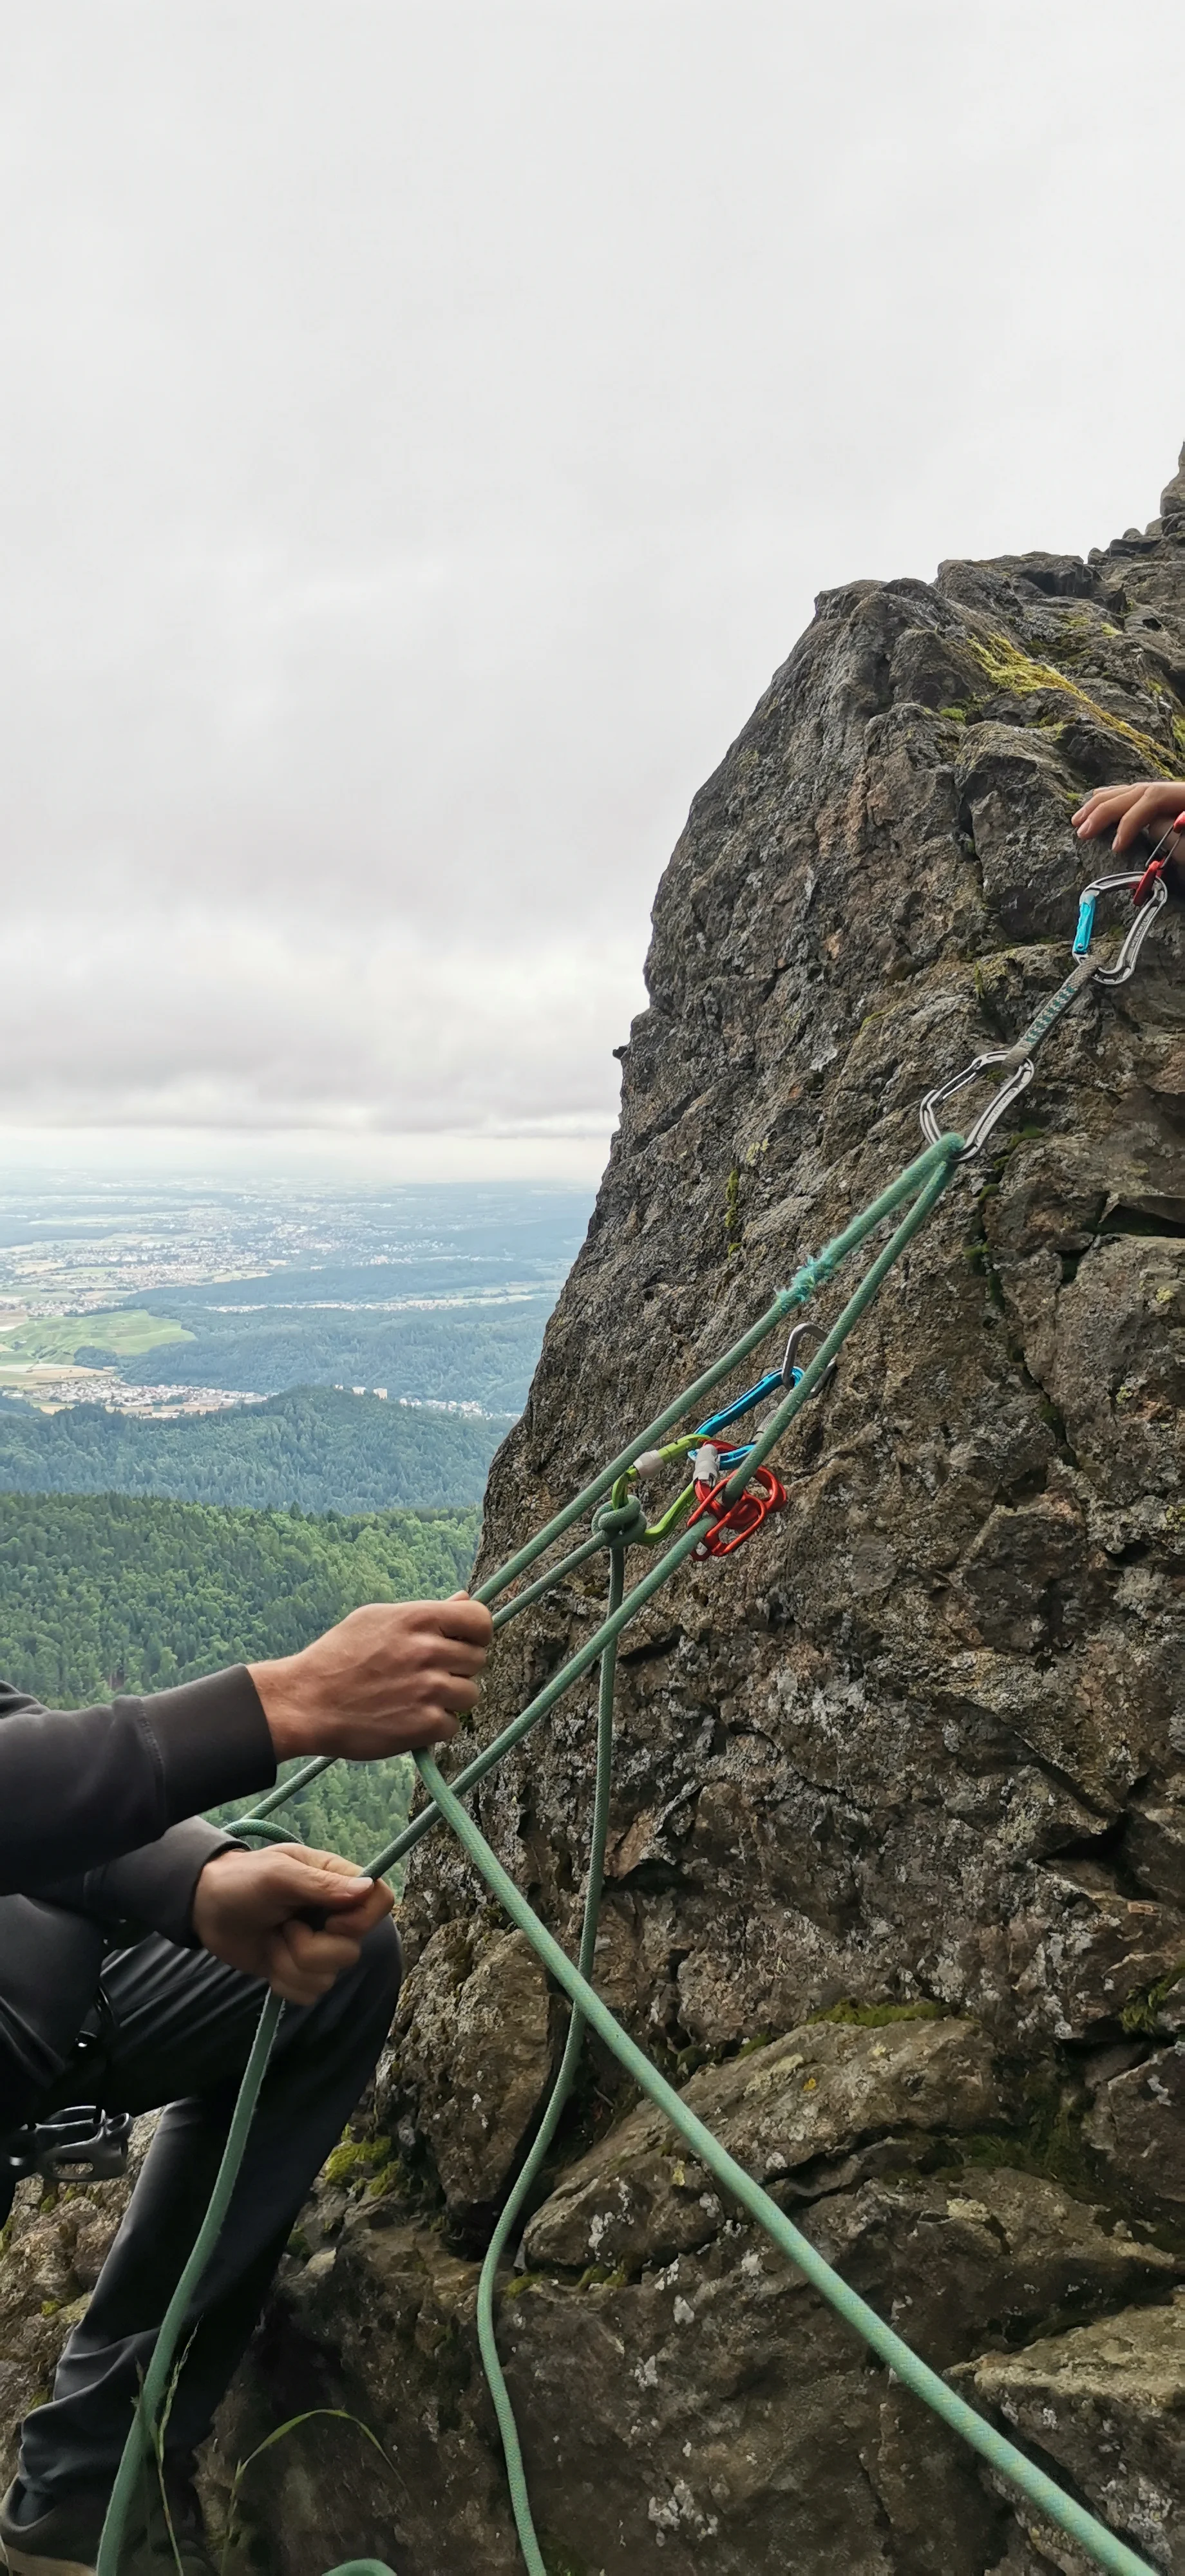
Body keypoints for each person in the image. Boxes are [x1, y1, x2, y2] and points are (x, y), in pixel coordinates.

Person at [0, 1593, 493, 2576]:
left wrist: (195, 1879)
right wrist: (283, 1702)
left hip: (52, 2002)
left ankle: (94, 2477)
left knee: (333, 1970)